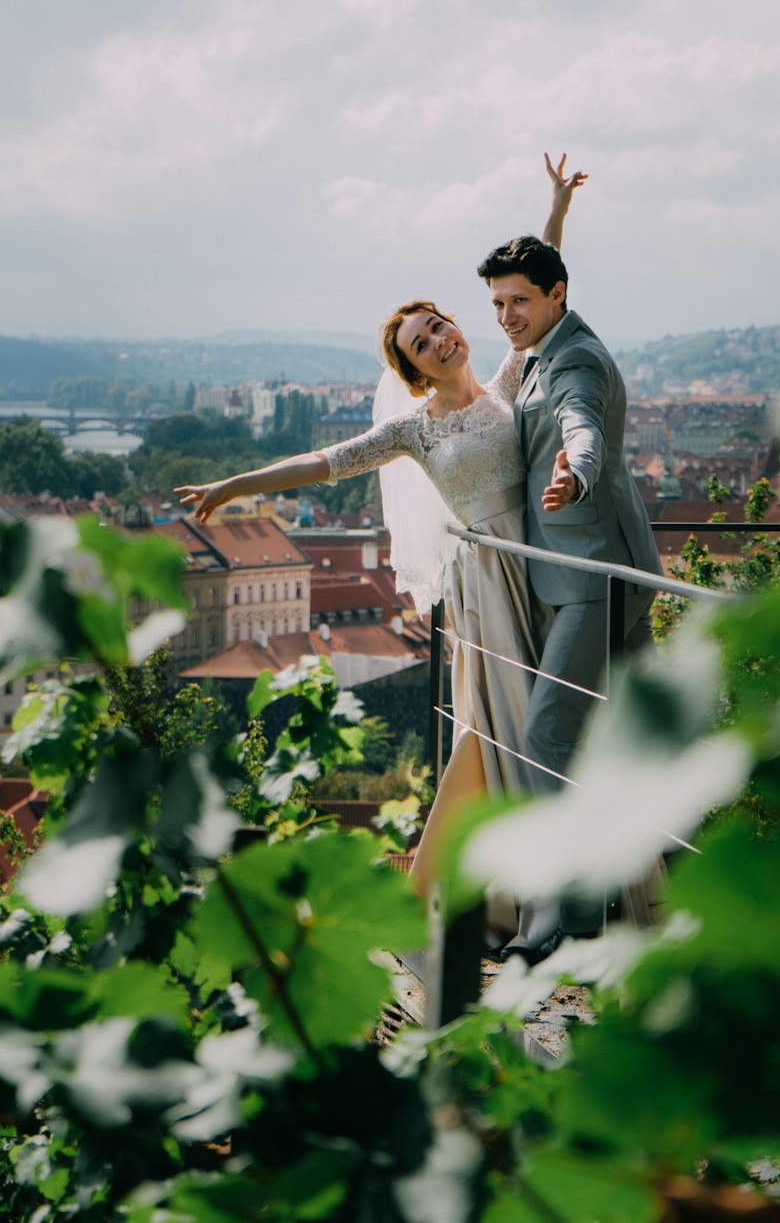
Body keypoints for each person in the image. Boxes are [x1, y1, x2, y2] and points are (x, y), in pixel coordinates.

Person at [175, 155, 587, 958]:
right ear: (409, 369)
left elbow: (537, 289)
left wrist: (557, 207)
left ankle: (553, 882)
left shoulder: (504, 382)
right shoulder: (413, 429)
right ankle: (529, 897)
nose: (435, 340)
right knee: (512, 731)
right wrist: (233, 485)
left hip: (537, 571)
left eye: (435, 325)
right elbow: (321, 463)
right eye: (418, 343)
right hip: (487, 585)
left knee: (554, 720)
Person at [476, 230, 664, 957]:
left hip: (595, 578)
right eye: (496, 303)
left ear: (558, 294)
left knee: (549, 732)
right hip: (574, 572)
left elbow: (581, 427)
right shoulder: (539, 353)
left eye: (519, 300)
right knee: (635, 740)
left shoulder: (574, 358)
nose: (506, 315)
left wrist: (575, 472)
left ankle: (566, 909)